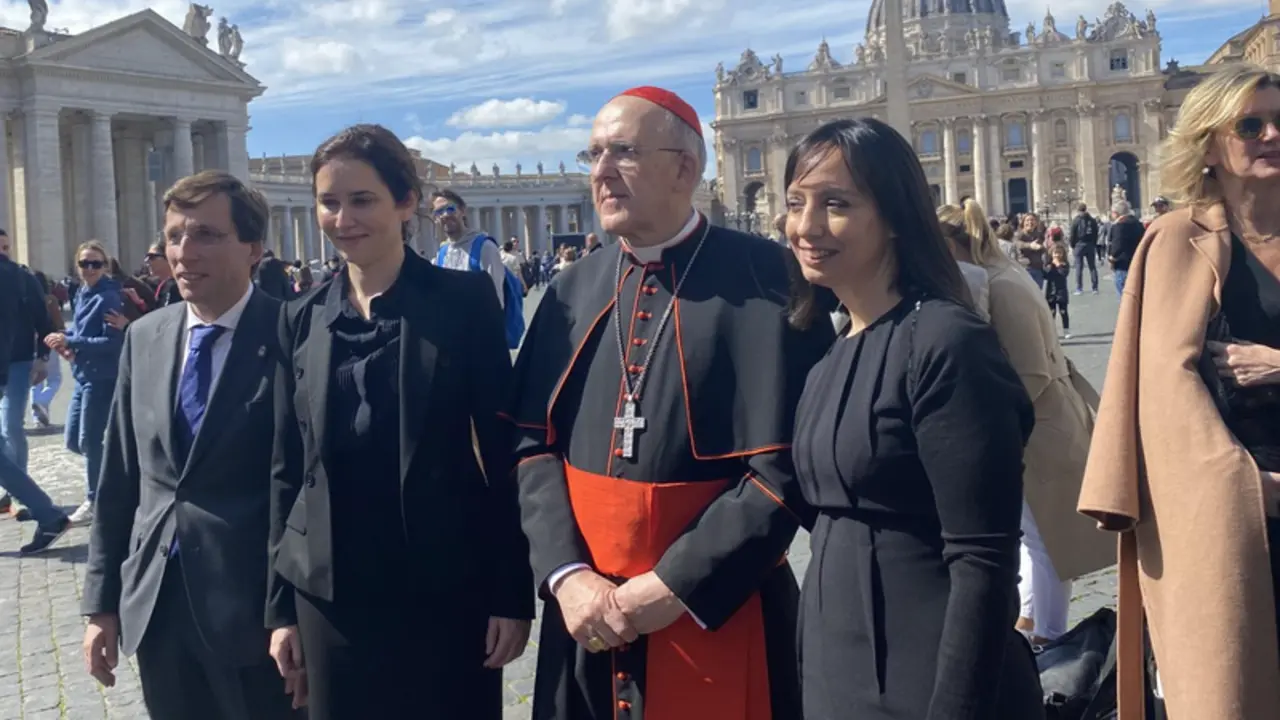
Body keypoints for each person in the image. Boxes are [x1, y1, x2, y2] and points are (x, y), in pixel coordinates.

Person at [510, 86, 832, 720]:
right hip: (585, 614)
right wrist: (567, 576)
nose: (601, 171)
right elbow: (530, 444)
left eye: (623, 152)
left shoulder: (772, 281)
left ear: (685, 168)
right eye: (594, 153)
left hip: (721, 604)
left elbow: (792, 464)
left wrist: (674, 584)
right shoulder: (570, 290)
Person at [266, 124, 533, 720]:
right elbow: (287, 469)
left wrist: (511, 593)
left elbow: (503, 452)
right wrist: (280, 609)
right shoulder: (298, 317)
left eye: (362, 200)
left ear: (406, 202)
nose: (343, 219)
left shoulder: (463, 302)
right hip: (329, 594)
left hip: (444, 584)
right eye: (329, 202)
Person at [787, 118, 1044, 720]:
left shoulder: (948, 343)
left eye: (835, 204)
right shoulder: (834, 350)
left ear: (897, 216)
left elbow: (984, 560)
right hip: (837, 672)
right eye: (796, 203)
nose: (806, 226)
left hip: (929, 679)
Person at [1080, 63, 1280, 720]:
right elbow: (1167, 395)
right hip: (1230, 507)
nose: (1271, 134)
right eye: (1249, 124)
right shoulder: (1175, 241)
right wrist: (1247, 484)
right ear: (1208, 144)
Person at [80, 171, 297, 720]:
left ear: (253, 249)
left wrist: (292, 611)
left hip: (256, 612)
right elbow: (119, 479)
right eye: (174, 236)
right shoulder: (144, 337)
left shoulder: (295, 334)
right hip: (158, 605)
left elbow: (307, 492)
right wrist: (101, 603)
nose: (182, 252)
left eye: (205, 235)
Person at [938, 199, 1111, 647]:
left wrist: (998, 430)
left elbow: (1029, 372)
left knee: (1045, 538)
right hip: (1047, 420)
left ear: (952, 245)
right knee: (1036, 535)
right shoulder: (1004, 274)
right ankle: (1032, 620)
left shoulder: (1001, 286)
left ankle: (1048, 633)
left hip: (1039, 429)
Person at [45, 241, 124, 526]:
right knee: (73, 440)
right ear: (77, 266)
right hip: (82, 375)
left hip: (102, 377)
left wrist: (72, 340)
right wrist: (64, 341)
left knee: (90, 440)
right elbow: (80, 332)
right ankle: (115, 478)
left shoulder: (108, 297)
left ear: (105, 266)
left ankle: (96, 500)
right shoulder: (81, 292)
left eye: (96, 264)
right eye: (84, 263)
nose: (90, 269)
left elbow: (112, 343)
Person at [0, 250, 70, 553]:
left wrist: (41, 356)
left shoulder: (14, 275)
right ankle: (46, 513)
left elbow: (36, 319)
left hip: (14, 362)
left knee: (10, 429)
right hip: (8, 364)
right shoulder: (14, 274)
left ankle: (47, 513)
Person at [431, 188, 506, 306]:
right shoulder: (441, 255)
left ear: (462, 211)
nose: (445, 215)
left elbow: (497, 300)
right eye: (439, 212)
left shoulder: (485, 248)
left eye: (450, 209)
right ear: (435, 218)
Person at [1106, 200, 1144, 294]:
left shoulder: (1120, 225)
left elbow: (1117, 245)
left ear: (1116, 213)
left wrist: (1111, 258)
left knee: (1123, 294)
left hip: (1122, 264)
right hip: (1137, 261)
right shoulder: (1138, 224)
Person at [1068, 203, 1100, 294]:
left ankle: (1079, 288)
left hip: (1079, 245)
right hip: (1090, 244)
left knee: (1079, 267)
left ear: (1078, 210)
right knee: (1092, 267)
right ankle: (1095, 288)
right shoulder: (1092, 220)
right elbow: (1096, 233)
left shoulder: (1076, 220)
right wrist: (1093, 243)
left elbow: (1072, 234)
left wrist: (1072, 245)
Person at [1044, 244, 1072, 338]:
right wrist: (1050, 266)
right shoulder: (1049, 264)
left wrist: (1058, 265)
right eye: (1055, 253)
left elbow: (1064, 273)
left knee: (1063, 312)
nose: (1057, 255)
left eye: (1059, 253)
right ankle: (1051, 331)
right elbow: (1046, 275)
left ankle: (1066, 330)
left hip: (1061, 291)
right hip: (1051, 292)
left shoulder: (1064, 264)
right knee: (1051, 313)